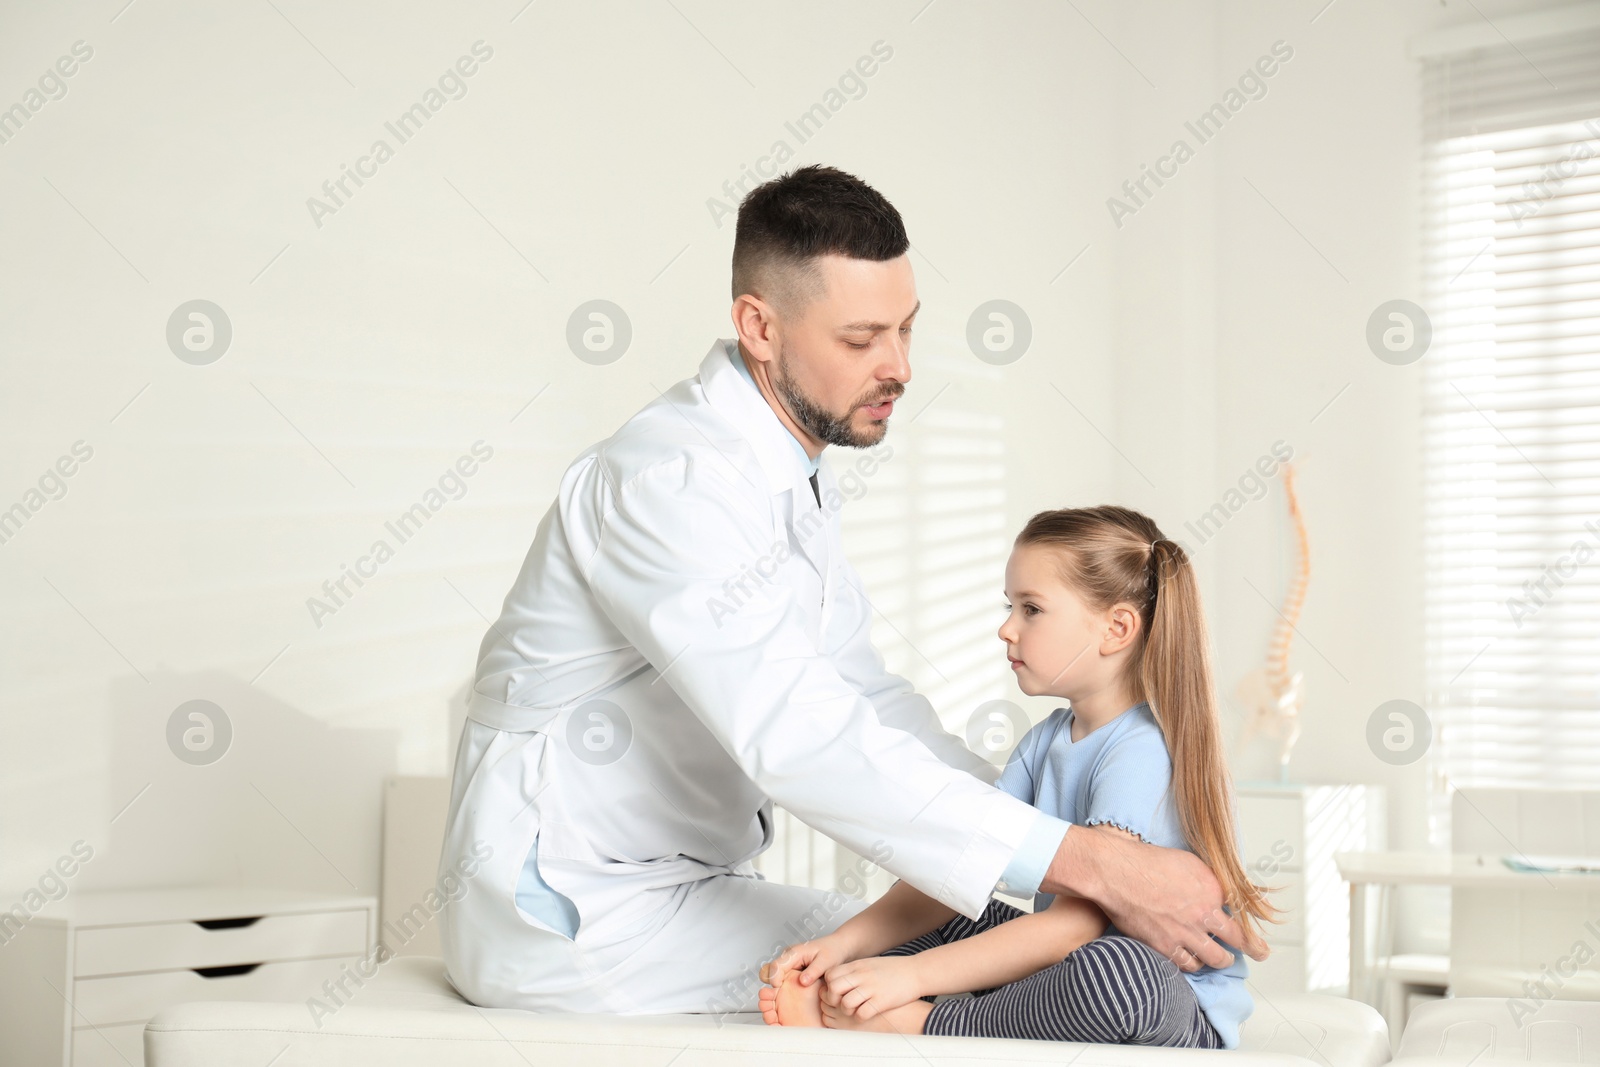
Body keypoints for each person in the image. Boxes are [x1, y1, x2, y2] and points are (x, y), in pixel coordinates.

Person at [435, 164, 1268, 1014]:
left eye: (907, 330)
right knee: (923, 976)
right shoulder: (670, 479)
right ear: (759, 326)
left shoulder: (786, 477)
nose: (899, 366)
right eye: (862, 338)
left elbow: (865, 697)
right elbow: (795, 730)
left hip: (680, 888)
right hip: (577, 912)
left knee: (966, 948)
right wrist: (1093, 861)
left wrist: (1057, 806)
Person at [759, 506, 1277, 1046]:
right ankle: (872, 998)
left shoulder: (1143, 749)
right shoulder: (1045, 740)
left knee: (1120, 974)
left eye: (1031, 609)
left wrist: (909, 978)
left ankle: (926, 1021)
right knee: (950, 914)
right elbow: (957, 869)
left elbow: (1075, 927)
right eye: (1011, 607)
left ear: (1117, 628)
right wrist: (843, 946)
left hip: (1162, 1001)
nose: (1007, 628)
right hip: (1061, 964)